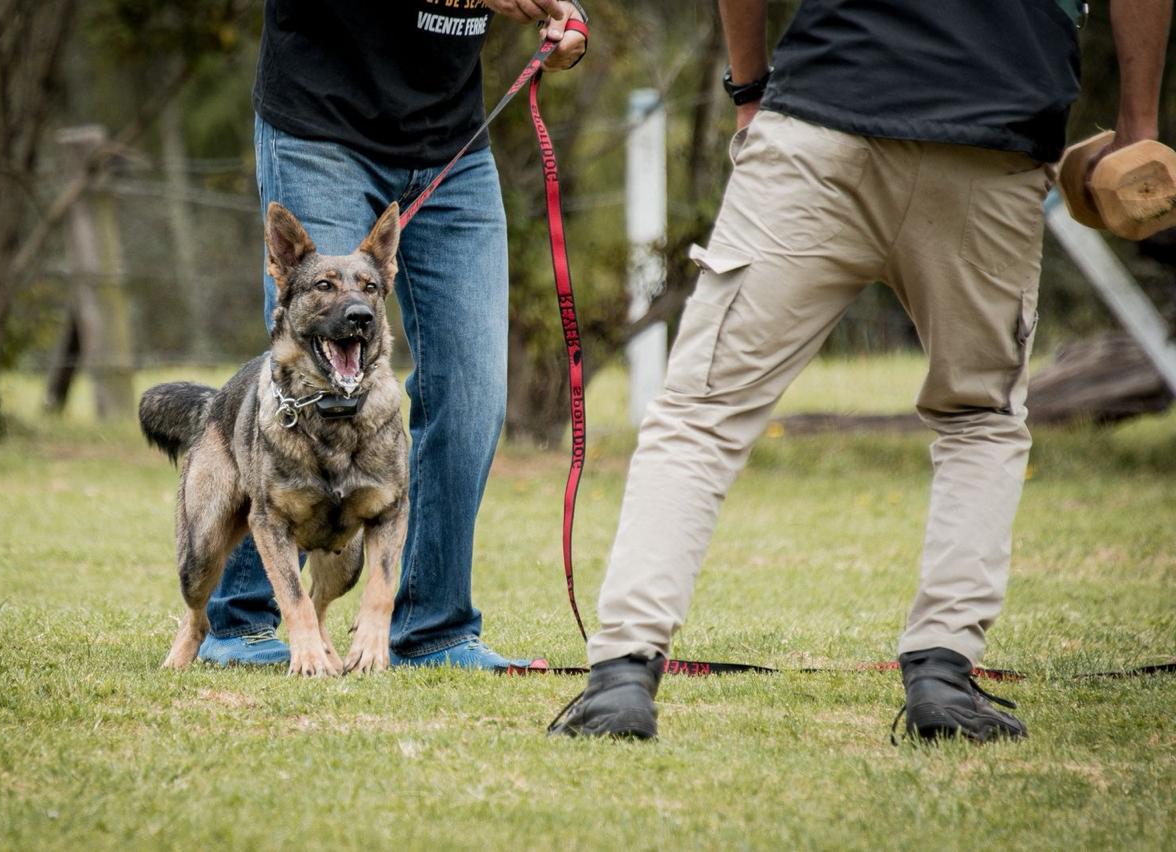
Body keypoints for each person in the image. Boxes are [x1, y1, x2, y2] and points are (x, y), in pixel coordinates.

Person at [550, 0, 1170, 740]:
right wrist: (1139, 131)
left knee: (701, 414)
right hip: (993, 136)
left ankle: (622, 677)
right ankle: (943, 677)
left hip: (824, 119)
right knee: (980, 421)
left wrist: (749, 93)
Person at [199, 0, 587, 670]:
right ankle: (244, 624)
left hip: (453, 140)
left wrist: (567, 20)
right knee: (310, 380)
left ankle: (433, 629)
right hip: (322, 122)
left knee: (471, 393)